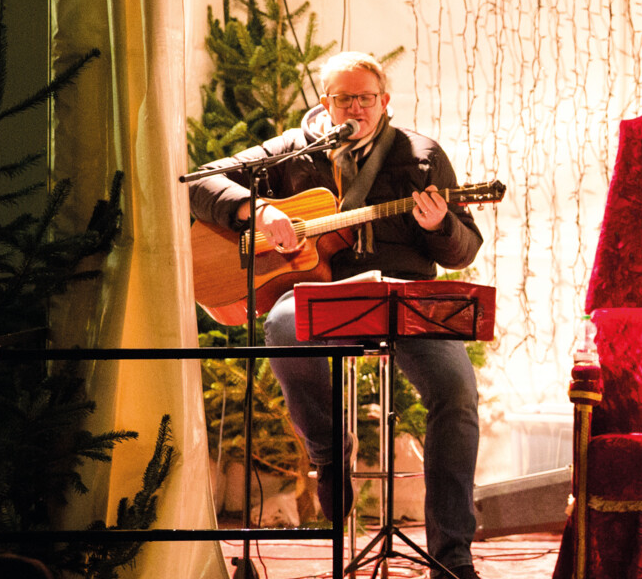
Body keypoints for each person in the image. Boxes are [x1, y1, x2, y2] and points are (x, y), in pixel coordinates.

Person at [187, 51, 485, 579]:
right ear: (325, 103)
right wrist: (258, 210)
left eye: (365, 98)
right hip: (317, 291)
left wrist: (441, 226)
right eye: (343, 97)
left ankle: (452, 554)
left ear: (384, 101)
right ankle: (328, 451)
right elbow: (202, 180)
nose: (355, 107)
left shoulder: (420, 156)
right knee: (280, 326)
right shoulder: (291, 152)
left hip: (402, 294)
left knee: (456, 392)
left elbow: (461, 252)